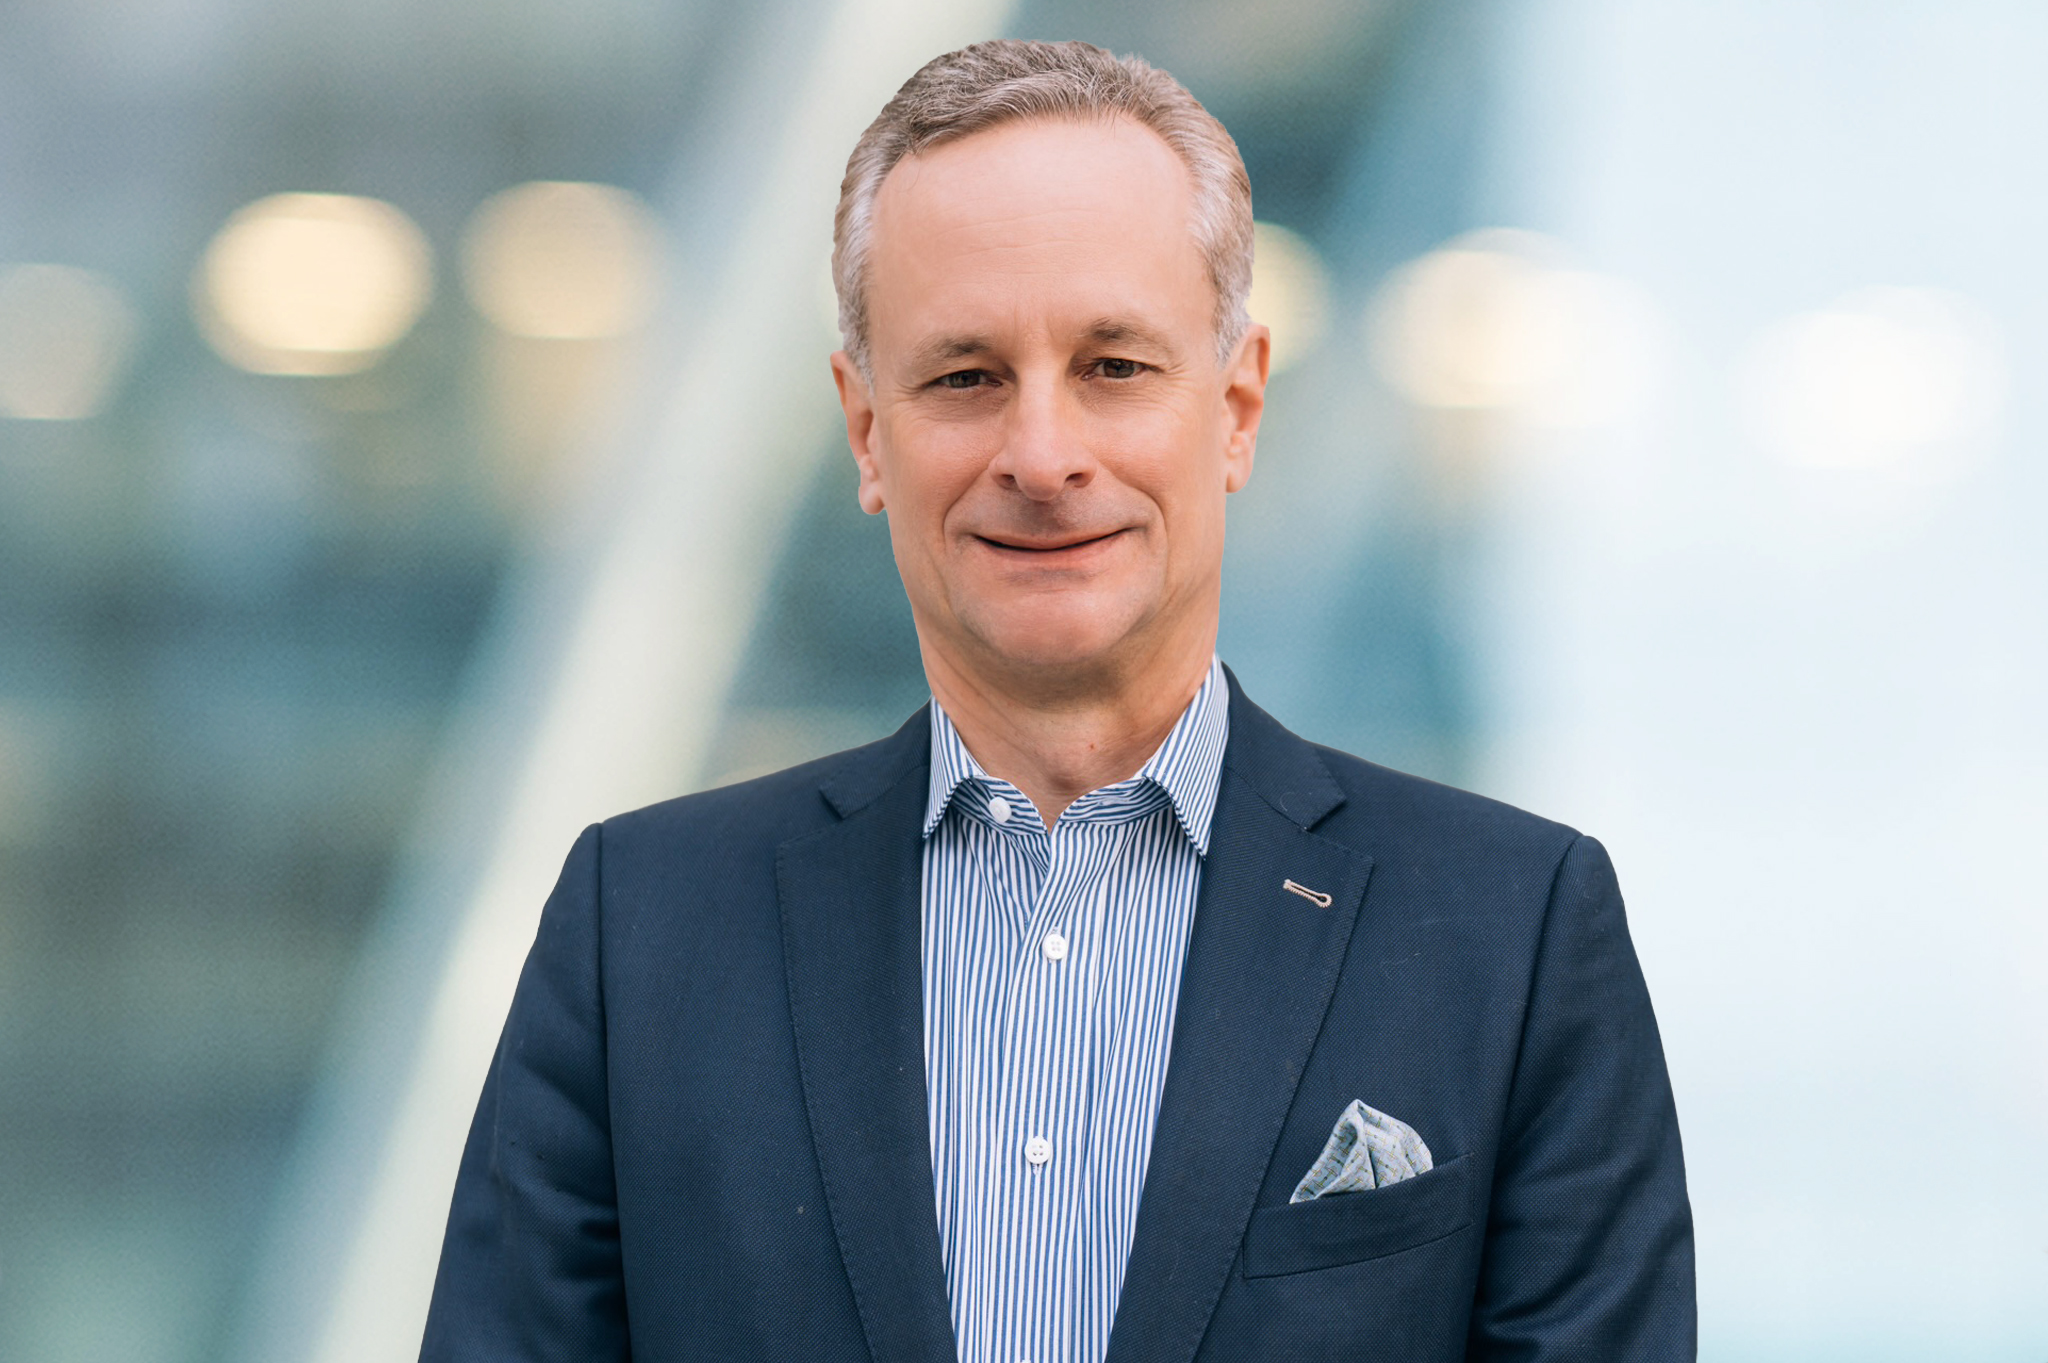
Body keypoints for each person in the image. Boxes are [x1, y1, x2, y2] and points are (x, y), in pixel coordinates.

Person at [420, 38, 1694, 1363]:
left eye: (1115, 367)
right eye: (966, 376)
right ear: (866, 429)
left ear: (1239, 404)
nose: (1041, 455)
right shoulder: (641, 933)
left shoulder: (1514, 932)